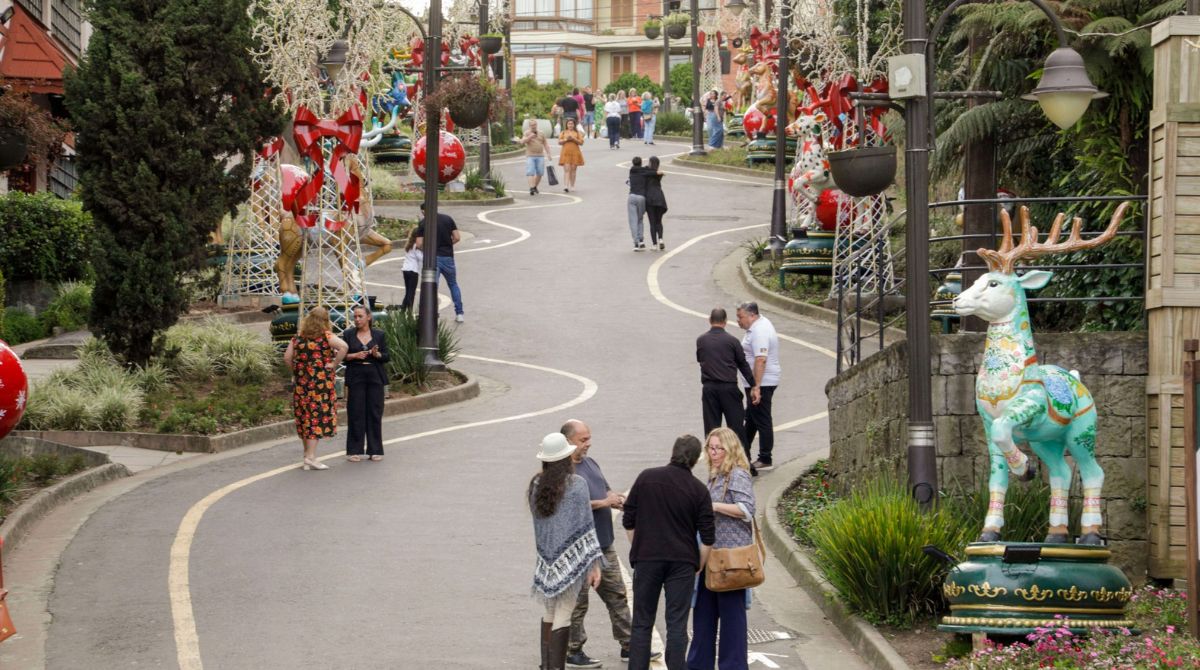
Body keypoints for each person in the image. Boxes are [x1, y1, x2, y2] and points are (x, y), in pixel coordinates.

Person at [561, 420, 659, 667]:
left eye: (589, 438)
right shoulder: (562, 473)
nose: (588, 443)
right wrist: (604, 503)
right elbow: (568, 506)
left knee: (618, 595)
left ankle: (630, 646)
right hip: (578, 549)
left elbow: (603, 491)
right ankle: (573, 650)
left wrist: (616, 499)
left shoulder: (591, 464)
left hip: (603, 544)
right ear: (568, 441)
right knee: (578, 603)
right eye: (583, 440)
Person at [622, 435, 715, 670]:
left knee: (642, 621)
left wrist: (638, 546)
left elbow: (628, 519)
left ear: (672, 452)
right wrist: (699, 564)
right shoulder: (699, 490)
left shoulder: (647, 478)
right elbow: (707, 537)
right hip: (682, 561)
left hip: (647, 558)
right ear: (695, 459)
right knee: (677, 624)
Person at [530, 432, 604, 670]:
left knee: (549, 611)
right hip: (572, 561)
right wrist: (593, 564)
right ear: (565, 457)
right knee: (564, 612)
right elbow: (586, 526)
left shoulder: (535, 484)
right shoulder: (576, 485)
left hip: (546, 560)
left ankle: (546, 665)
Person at [687, 427, 757, 670]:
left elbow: (747, 510)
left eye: (719, 448)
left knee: (731, 620)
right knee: (703, 615)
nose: (714, 453)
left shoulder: (737, 475)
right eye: (711, 448)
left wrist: (713, 506)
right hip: (711, 556)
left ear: (731, 449)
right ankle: (698, 664)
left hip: (729, 558)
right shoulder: (715, 475)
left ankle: (733, 666)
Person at [283, 306, 348, 471]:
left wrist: (296, 371)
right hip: (320, 385)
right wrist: (333, 364)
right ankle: (311, 458)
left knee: (304, 417)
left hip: (302, 384)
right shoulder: (326, 337)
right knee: (316, 418)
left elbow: (287, 357)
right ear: (325, 320)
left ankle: (307, 455)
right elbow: (344, 347)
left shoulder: (297, 338)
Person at [696, 308, 754, 450]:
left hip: (709, 389)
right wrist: (754, 385)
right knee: (736, 429)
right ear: (726, 322)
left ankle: (714, 465)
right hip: (729, 388)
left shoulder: (701, 340)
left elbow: (700, 359)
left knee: (711, 430)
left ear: (710, 320)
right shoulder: (733, 341)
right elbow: (743, 364)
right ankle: (743, 462)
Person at [736, 301, 781, 471]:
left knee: (761, 419)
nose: (739, 321)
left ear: (752, 315)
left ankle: (765, 457)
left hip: (763, 382)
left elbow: (761, 359)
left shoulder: (759, 331)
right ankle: (742, 453)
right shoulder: (757, 326)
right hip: (758, 382)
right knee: (752, 418)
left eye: (741, 317)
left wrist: (756, 386)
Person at [342, 304, 389, 462]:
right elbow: (343, 356)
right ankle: (354, 450)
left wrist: (377, 354)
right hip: (356, 375)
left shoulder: (379, 334)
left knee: (375, 412)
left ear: (368, 317)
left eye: (360, 316)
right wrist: (354, 355)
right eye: (355, 316)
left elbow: (387, 356)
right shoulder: (348, 334)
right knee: (355, 411)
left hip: (375, 375)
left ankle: (375, 449)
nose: (357, 319)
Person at [415, 202, 465, 323]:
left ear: (423, 211)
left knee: (433, 287)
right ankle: (459, 313)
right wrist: (448, 244)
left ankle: (433, 313)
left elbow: (419, 244)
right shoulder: (448, 219)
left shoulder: (423, 223)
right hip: (448, 257)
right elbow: (457, 237)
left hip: (433, 259)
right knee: (453, 284)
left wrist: (429, 249)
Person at [519, 118, 553, 196]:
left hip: (540, 155)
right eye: (531, 125)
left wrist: (549, 154)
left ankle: (534, 186)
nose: (533, 126)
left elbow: (546, 144)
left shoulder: (541, 133)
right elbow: (522, 142)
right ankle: (532, 187)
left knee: (540, 173)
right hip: (530, 155)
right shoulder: (527, 133)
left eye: (534, 125)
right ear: (529, 126)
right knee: (530, 172)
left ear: (536, 125)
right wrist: (529, 137)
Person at [627, 156, 652, 251]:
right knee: (640, 219)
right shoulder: (645, 172)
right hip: (642, 197)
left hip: (632, 196)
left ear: (633, 163)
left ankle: (636, 243)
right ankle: (641, 240)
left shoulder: (632, 171)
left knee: (633, 220)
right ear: (641, 163)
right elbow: (649, 170)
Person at [645, 156, 668, 250]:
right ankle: (661, 239)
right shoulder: (659, 174)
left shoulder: (646, 172)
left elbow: (644, 171)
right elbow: (655, 172)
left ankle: (654, 244)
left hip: (650, 198)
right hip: (660, 197)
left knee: (652, 222)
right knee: (659, 221)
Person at [557, 118, 586, 193]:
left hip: (575, 153)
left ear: (574, 125)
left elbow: (581, 142)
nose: (570, 125)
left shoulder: (577, 133)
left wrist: (573, 139)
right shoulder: (563, 132)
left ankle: (572, 185)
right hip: (566, 153)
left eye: (572, 124)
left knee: (573, 170)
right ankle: (566, 186)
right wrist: (566, 139)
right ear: (566, 125)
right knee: (567, 170)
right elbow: (559, 142)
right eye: (569, 123)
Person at [400, 227, 421, 312]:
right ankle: (409, 311)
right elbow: (421, 257)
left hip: (406, 270)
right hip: (413, 271)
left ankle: (403, 309)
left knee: (408, 291)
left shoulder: (409, 244)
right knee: (411, 292)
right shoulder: (416, 246)